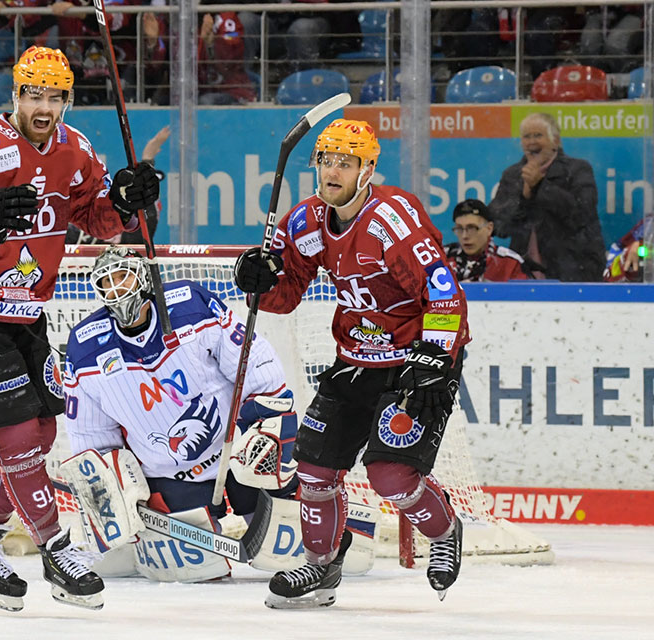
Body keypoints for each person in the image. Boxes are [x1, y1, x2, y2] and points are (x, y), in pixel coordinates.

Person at [0, 45, 159, 612]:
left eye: (55, 96)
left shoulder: (76, 151)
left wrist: (124, 201)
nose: (44, 107)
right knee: (18, 435)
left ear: (68, 100)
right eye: (34, 94)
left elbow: (97, 219)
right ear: (16, 94)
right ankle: (55, 547)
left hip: (25, 310)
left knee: (41, 432)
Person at [233, 119, 470, 608]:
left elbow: (444, 292)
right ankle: (321, 567)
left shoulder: (392, 220)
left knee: (390, 476)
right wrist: (257, 278)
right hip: (355, 358)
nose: (333, 171)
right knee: (314, 470)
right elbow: (284, 296)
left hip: (413, 363)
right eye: (326, 160)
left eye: (346, 162)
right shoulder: (305, 222)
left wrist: (436, 356)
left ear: (368, 169)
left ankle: (444, 529)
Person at [59, 246, 300, 582]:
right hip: (169, 474)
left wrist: (263, 425)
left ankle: (319, 513)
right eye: (106, 283)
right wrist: (113, 487)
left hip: (238, 452)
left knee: (290, 559)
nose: (116, 290)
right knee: (195, 575)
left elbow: (255, 367)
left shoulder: (190, 304)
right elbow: (91, 434)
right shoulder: (85, 349)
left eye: (123, 277)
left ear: (143, 276)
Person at [488, 112, 605, 282]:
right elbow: (499, 226)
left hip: (573, 273)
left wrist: (540, 186)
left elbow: (582, 214)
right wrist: (525, 197)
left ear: (555, 141)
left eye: (538, 135)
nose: (532, 142)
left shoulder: (578, 170)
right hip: (523, 275)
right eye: (526, 137)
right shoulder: (512, 175)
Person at [444, 199, 527, 282]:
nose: (464, 236)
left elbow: (524, 294)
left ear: (489, 228)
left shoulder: (510, 263)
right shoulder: (442, 258)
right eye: (460, 228)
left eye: (472, 228)